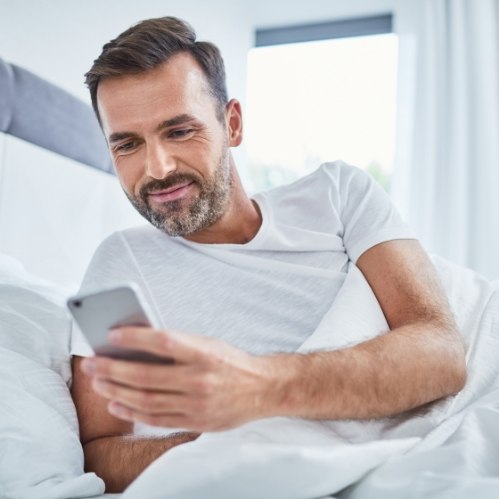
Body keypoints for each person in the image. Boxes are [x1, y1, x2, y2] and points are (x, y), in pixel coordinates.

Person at [71, 16, 467, 492]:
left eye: (178, 131)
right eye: (128, 144)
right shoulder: (117, 267)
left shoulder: (338, 196)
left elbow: (442, 353)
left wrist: (257, 388)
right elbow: (101, 451)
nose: (158, 168)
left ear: (231, 124)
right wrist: (233, 439)